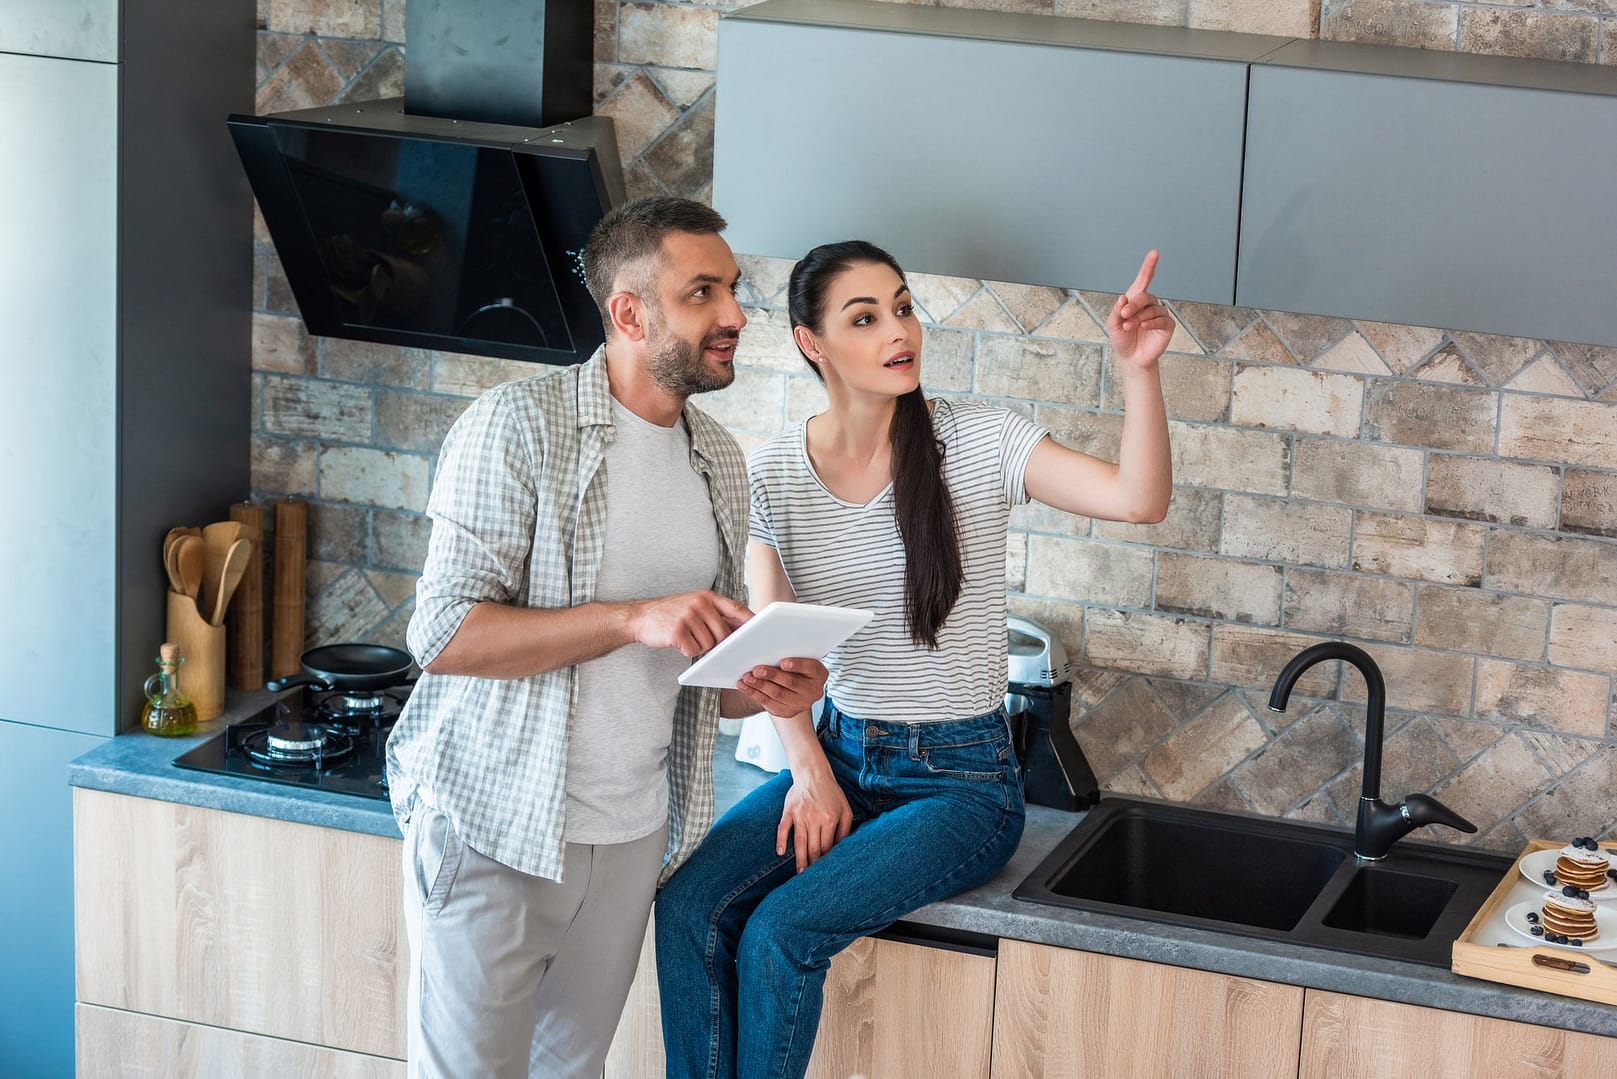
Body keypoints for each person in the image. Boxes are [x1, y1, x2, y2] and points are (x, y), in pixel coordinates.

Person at [655, 240, 1174, 1079]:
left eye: (901, 307)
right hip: (844, 759)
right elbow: (771, 663)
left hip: (963, 787)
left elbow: (1137, 499)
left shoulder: (978, 445)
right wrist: (813, 771)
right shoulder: (776, 474)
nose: (898, 331)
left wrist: (1137, 369)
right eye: (864, 317)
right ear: (809, 343)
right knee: (687, 906)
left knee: (782, 933)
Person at [385, 196, 829, 1079]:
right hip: (494, 828)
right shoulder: (516, 427)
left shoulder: (716, 457)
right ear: (628, 312)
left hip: (630, 836)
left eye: (732, 290)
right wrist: (634, 615)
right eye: (702, 292)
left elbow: (703, 667)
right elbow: (441, 634)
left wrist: (770, 680)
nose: (735, 315)